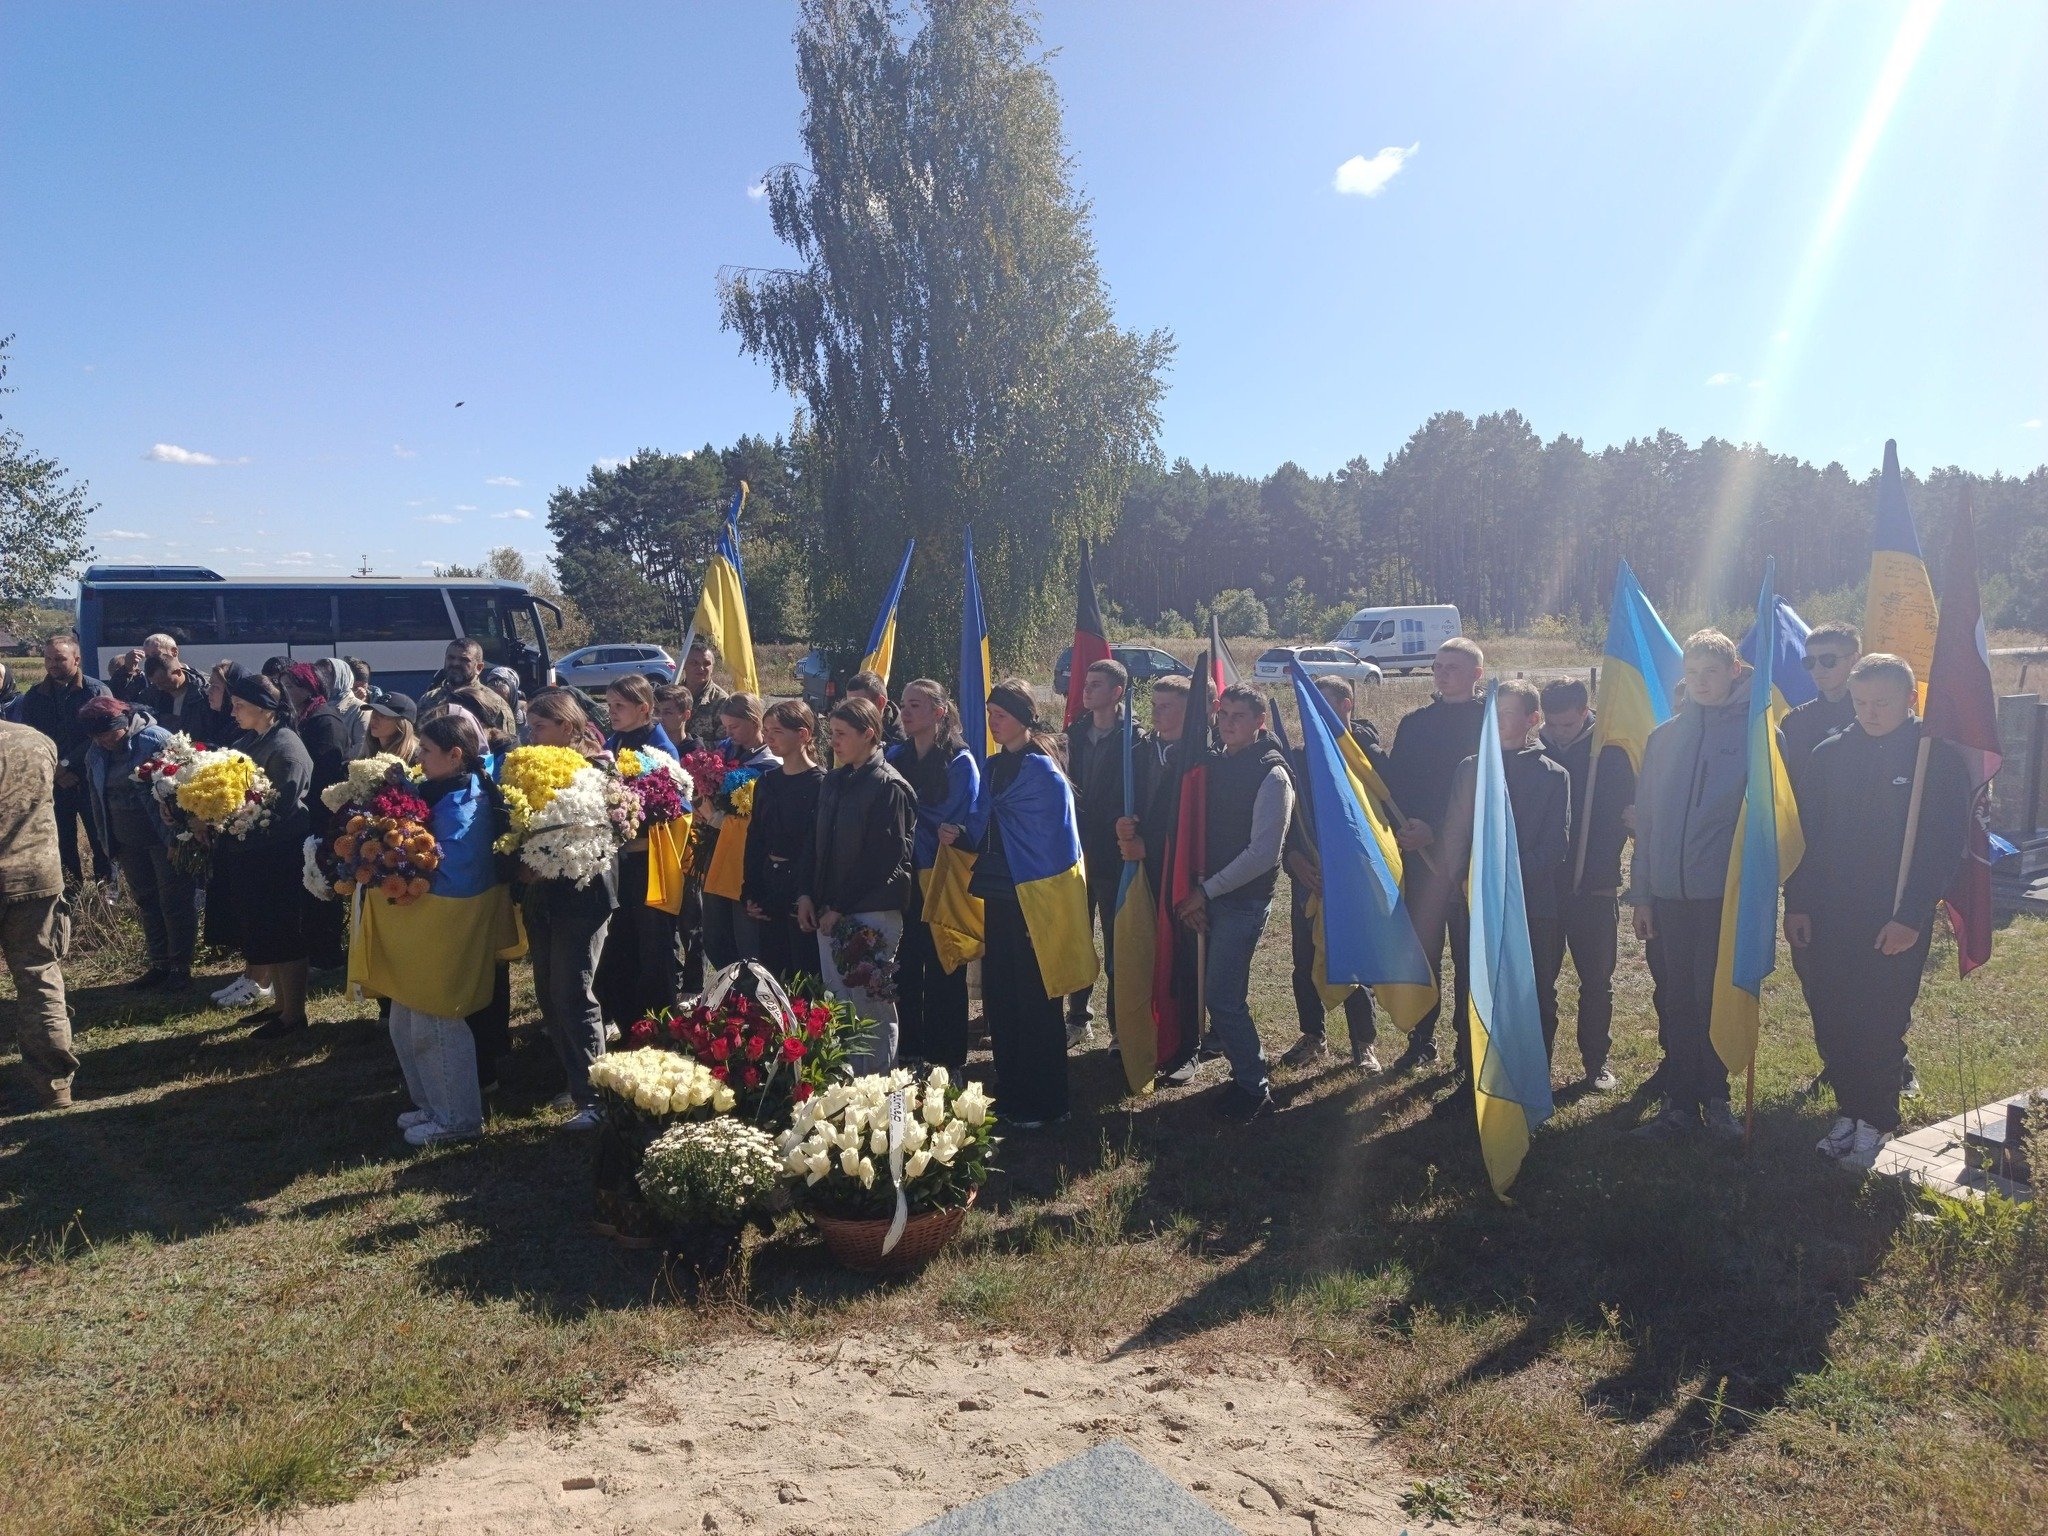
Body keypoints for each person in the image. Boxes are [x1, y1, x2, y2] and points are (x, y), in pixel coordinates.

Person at [1787, 655, 1970, 1170]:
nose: (1869, 713)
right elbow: (1806, 840)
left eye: (1882, 703)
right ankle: (1849, 1110)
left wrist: (1911, 916)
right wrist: (1798, 904)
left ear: (1911, 699)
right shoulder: (1829, 755)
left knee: (1880, 1021)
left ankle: (1877, 1119)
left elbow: (1941, 847)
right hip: (1830, 915)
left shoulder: (1933, 758)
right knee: (1833, 1017)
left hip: (1893, 917)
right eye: (1860, 702)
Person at [371, 712, 517, 1147]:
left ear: (455, 755)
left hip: (447, 927)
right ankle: (432, 1105)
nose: (419, 756)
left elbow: (457, 876)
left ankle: (458, 1118)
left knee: (436, 1023)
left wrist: (394, 870)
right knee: (405, 1021)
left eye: (427, 750)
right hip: (424, 928)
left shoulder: (466, 804)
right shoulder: (443, 790)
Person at [1629, 630, 1750, 1145]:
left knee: (1712, 999)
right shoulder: (1663, 738)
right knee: (1676, 999)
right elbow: (1648, 823)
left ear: (1734, 672)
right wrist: (1642, 894)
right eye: (1693, 673)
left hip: (1722, 898)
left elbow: (1768, 823)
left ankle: (1717, 1098)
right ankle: (1678, 1103)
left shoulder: (1756, 736)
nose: (1701, 682)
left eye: (1711, 672)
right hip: (1666, 898)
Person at [943, 682, 1076, 1129]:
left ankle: (1047, 1100)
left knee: (1035, 996)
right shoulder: (994, 765)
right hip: (999, 893)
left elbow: (1053, 839)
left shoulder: (1043, 770)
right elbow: (984, 821)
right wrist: (962, 835)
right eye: (989, 714)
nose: (992, 722)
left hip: (1035, 896)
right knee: (1002, 993)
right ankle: (1013, 1086)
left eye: (1000, 714)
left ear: (1023, 718)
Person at [1435, 682, 1571, 1099]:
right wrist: (1466, 877)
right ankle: (1473, 1080)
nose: (1498, 721)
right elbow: (1454, 833)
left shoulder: (1553, 775)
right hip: (1475, 902)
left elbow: (1555, 846)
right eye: (1494, 712)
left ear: (1533, 719)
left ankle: (1531, 1084)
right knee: (1475, 989)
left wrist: (1504, 880)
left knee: (1534, 993)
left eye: (1509, 713)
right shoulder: (1470, 768)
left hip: (1532, 906)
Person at [1175, 684, 1294, 1122]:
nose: (1227, 723)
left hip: (1243, 902)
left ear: (1259, 722)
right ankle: (1246, 1075)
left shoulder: (1272, 775)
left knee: (1224, 998)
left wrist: (1206, 892)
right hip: (1209, 895)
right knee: (1215, 994)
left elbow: (1263, 854)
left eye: (1238, 716)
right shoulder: (1215, 761)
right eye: (1223, 714)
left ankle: (1253, 1086)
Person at [1383, 638, 1488, 1075]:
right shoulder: (1414, 723)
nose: (1442, 674)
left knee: (1468, 958)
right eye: (1438, 667)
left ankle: (1468, 1046)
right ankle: (1421, 1040)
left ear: (1477, 674)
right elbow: (1398, 784)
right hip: (1421, 861)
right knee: (1424, 954)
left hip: (1470, 864)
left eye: (1453, 667)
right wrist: (1412, 827)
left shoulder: (1491, 722)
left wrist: (1441, 832)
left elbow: (1490, 794)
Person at [798, 698, 916, 1072]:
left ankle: (879, 1088)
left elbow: (882, 860)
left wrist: (839, 907)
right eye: (831, 733)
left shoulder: (889, 786)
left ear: (868, 734)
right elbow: (814, 843)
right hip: (829, 910)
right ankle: (847, 1085)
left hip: (871, 911)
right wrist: (806, 895)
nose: (833, 741)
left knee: (871, 1005)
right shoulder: (834, 780)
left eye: (842, 734)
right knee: (838, 1001)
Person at [519, 690, 618, 1129]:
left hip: (584, 896)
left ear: (567, 726)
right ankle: (576, 1081)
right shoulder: (529, 766)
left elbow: (602, 836)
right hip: (542, 896)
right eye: (530, 726)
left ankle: (596, 1099)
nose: (532, 735)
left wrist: (546, 858)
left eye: (540, 726)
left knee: (572, 992)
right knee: (548, 992)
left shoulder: (598, 770)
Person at [1280, 673, 1385, 1071]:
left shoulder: (1366, 756)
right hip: (1308, 877)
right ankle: (1313, 1035)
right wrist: (1293, 859)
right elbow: (1287, 822)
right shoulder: (1296, 759)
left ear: (1346, 705)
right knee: (1305, 960)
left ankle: (1364, 1043)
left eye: (1322, 705)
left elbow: (1382, 821)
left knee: (1354, 958)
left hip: (1356, 879)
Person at [1538, 676, 1633, 1091]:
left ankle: (1596, 1062)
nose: (1560, 733)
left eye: (1568, 725)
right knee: (1540, 983)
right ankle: (1537, 1062)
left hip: (1595, 887)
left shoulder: (1609, 754)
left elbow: (1627, 817)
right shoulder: (1532, 753)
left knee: (1596, 982)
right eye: (1552, 724)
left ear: (1585, 712)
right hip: (1544, 890)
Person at [1115, 673, 1204, 1084]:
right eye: (1154, 705)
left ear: (1189, 712)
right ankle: (1150, 1031)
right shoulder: (1142, 749)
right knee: (1147, 952)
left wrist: (1148, 845)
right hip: (1142, 870)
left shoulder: (1201, 758)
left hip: (1182, 873)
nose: (1156, 714)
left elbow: (1194, 824)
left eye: (1166, 707)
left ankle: (1188, 1046)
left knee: (1183, 960)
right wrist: (1123, 826)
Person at [216, 673, 315, 1040]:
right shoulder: (249, 740)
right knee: (266, 931)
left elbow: (280, 806)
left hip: (280, 853)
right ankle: (279, 1006)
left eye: (239, 705)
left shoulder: (286, 746)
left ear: (263, 708)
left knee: (284, 931)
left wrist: (235, 814)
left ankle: (294, 1014)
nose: (233, 712)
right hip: (252, 851)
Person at [887, 679, 979, 1070]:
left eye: (916, 705)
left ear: (939, 712)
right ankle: (908, 1048)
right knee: (904, 962)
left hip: (940, 874)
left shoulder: (960, 761)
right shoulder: (895, 754)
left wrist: (908, 814)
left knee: (944, 964)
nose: (905, 713)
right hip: (902, 875)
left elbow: (956, 817)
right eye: (903, 704)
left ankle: (947, 1058)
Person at [1063, 659, 1153, 1047]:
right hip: (1077, 855)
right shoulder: (1073, 734)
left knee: (1119, 947)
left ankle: (1121, 1028)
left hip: (1115, 858)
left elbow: (1143, 796)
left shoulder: (1137, 741)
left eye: (1096, 684)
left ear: (1117, 692)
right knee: (1077, 941)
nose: (1086, 689)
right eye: (1086, 682)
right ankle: (1078, 1018)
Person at [80, 697, 197, 993]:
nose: (104, 741)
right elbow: (96, 797)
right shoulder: (96, 750)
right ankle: (159, 964)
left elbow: (183, 789)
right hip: (126, 841)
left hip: (162, 839)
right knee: (147, 901)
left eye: (109, 734)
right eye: (97, 737)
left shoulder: (155, 740)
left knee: (173, 902)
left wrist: (177, 838)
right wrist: (107, 841)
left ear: (123, 723)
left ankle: (180, 967)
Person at [595, 675, 684, 1031]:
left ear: (644, 708)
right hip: (619, 861)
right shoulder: (614, 741)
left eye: (620, 705)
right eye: (609, 705)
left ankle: (659, 1024)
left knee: (653, 945)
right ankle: (628, 1018)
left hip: (650, 861)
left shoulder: (660, 750)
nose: (611, 712)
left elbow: (676, 804)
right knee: (621, 941)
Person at [1, 717, 79, 1112]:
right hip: (35, 875)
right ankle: (55, 1086)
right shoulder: (37, 741)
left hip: (31, 877)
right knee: (40, 975)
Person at [742, 699, 826, 982]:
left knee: (803, 974)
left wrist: (805, 893)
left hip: (802, 888)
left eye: (777, 731)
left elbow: (815, 845)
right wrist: (750, 890)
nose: (769, 738)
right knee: (771, 973)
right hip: (770, 881)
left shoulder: (821, 784)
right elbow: (756, 838)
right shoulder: (767, 781)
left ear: (803, 734)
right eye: (766, 731)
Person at [18, 636, 111, 885]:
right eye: (48, 658)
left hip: (91, 779)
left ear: (76, 659)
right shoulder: (35, 696)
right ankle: (71, 893)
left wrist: (67, 764)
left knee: (101, 839)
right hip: (55, 782)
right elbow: (31, 738)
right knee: (62, 841)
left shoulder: (95, 692)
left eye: (59, 658)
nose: (52, 664)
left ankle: (107, 893)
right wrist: (57, 771)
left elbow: (103, 735)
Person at [281, 663, 354, 972]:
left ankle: (327, 955)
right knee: (310, 884)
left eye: (290, 686)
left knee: (322, 883)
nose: (285, 692)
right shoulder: (303, 717)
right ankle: (315, 950)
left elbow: (326, 771)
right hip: (309, 814)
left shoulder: (324, 720)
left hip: (322, 815)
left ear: (308, 688)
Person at [700, 692, 777, 970]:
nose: (728, 733)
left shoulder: (770, 763)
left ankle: (749, 990)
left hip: (746, 860)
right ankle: (725, 987)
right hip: (717, 853)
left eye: (734, 726)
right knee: (715, 934)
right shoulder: (725, 751)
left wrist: (717, 817)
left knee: (745, 937)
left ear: (755, 721)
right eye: (725, 727)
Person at [419, 639, 518, 740]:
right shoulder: (428, 699)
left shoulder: (494, 704)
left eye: (464, 660)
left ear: (479, 667)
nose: (455, 663)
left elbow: (507, 744)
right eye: (451, 658)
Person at [141, 654, 209, 737]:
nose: (160, 688)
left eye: (164, 682)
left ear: (178, 672)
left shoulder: (204, 694)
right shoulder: (151, 694)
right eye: (156, 684)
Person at [680, 639, 731, 748]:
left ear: (712, 668)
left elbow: (724, 745)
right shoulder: (671, 696)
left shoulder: (722, 701)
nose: (701, 668)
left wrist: (690, 746)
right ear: (684, 664)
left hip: (703, 757)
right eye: (694, 663)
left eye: (706, 663)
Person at [315, 657, 369, 757]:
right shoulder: (314, 707)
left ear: (341, 677)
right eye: (319, 675)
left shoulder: (361, 709)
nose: (322, 681)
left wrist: (332, 759)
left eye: (327, 676)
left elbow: (362, 748)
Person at [847, 670, 906, 746]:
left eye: (859, 704)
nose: (851, 711)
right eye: (848, 704)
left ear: (880, 702)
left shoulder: (901, 744)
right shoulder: (844, 729)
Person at [362, 692, 421, 765]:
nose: (374, 718)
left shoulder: (418, 758)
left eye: (383, 715)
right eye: (374, 712)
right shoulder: (369, 753)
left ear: (401, 724)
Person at [653, 684, 694, 757]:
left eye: (667, 712)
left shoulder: (695, 755)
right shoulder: (646, 743)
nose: (659, 717)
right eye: (656, 711)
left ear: (686, 715)